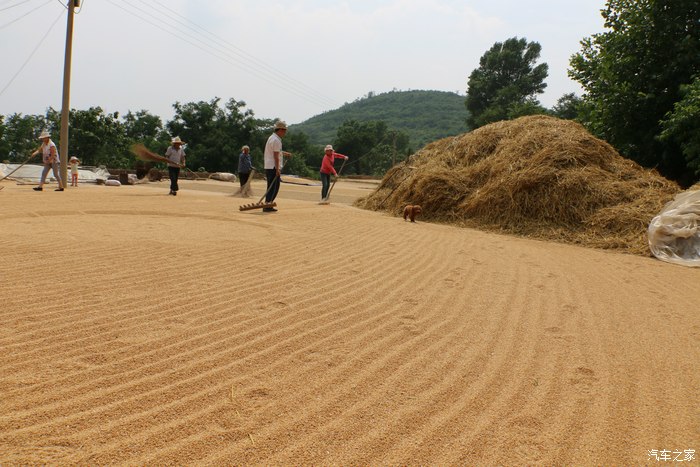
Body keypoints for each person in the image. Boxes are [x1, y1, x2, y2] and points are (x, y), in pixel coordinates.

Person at [262, 120, 291, 212]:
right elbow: (276, 156)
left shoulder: (272, 138)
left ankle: (268, 204)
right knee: (274, 186)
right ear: (280, 130)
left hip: (269, 165)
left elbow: (276, 152)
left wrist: (284, 153)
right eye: (284, 130)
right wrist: (278, 168)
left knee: (272, 185)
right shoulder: (276, 140)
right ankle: (268, 204)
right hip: (273, 166)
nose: (285, 133)